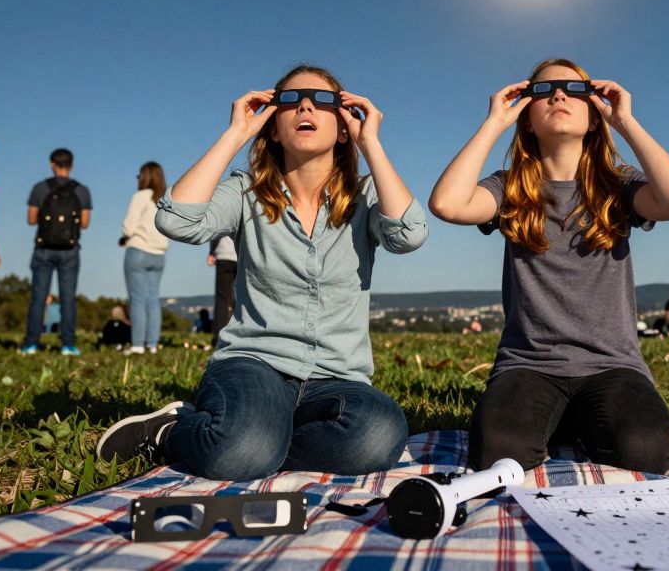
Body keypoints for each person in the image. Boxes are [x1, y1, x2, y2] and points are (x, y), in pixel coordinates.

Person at [96, 65, 427, 481]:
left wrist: (371, 144)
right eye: (290, 100)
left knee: (379, 436)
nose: (305, 105)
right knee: (242, 453)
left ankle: (258, 439)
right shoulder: (246, 190)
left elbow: (410, 234)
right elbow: (176, 220)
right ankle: (172, 431)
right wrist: (235, 135)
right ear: (272, 127)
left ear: (344, 125)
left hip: (336, 377)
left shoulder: (365, 195)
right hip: (256, 363)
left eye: (322, 100)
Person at [430, 58, 669, 473]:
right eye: (543, 91)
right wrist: (493, 124)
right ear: (527, 121)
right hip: (528, 364)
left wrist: (625, 121)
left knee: (645, 451)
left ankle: (577, 421)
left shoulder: (619, 184)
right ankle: (564, 421)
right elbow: (447, 204)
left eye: (574, 91)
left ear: (594, 118)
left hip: (613, 364)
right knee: (498, 452)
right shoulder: (509, 187)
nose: (558, 95)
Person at [21, 148, 92, 356]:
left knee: (39, 297)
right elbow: (85, 223)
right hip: (70, 250)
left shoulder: (40, 188)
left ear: (52, 164)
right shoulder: (82, 190)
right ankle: (68, 344)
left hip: (43, 248)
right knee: (68, 297)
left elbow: (31, 219)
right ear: (71, 165)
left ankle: (31, 343)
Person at [121, 162, 168, 354]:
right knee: (153, 299)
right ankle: (153, 344)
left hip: (138, 250)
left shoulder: (140, 196)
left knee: (138, 300)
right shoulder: (165, 199)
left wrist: (124, 235)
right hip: (159, 254)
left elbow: (129, 226)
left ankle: (138, 345)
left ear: (144, 177)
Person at [207, 232, 237, 343]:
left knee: (222, 300)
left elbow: (217, 230)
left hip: (224, 254)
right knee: (242, 298)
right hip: (242, 254)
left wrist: (211, 251)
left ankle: (218, 338)